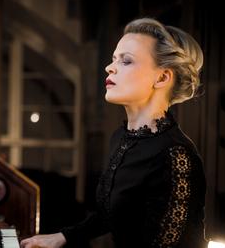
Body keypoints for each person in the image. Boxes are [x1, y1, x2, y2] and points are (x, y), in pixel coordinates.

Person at [20, 18, 207, 248]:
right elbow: (112, 213)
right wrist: (62, 237)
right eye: (114, 59)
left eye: (126, 61)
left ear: (162, 78)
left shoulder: (176, 156)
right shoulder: (121, 138)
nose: (110, 67)